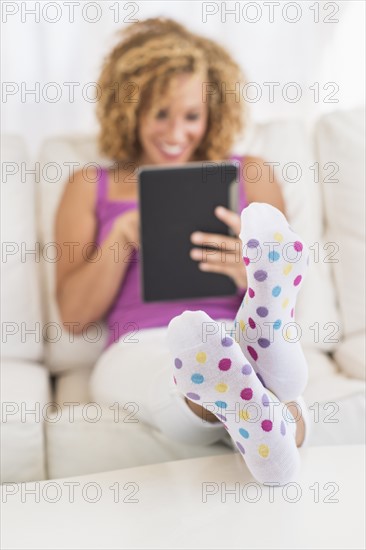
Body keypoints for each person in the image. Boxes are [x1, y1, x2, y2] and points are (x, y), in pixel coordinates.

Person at [55, 18, 309, 484]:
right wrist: (122, 237)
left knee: (253, 337)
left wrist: (245, 272)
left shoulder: (250, 173)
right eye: (160, 114)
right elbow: (74, 316)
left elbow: (299, 295)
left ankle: (257, 342)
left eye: (191, 116)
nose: (176, 133)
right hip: (141, 341)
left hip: (238, 325)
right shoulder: (91, 185)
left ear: (213, 113)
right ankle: (248, 380)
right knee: (178, 377)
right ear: (129, 111)